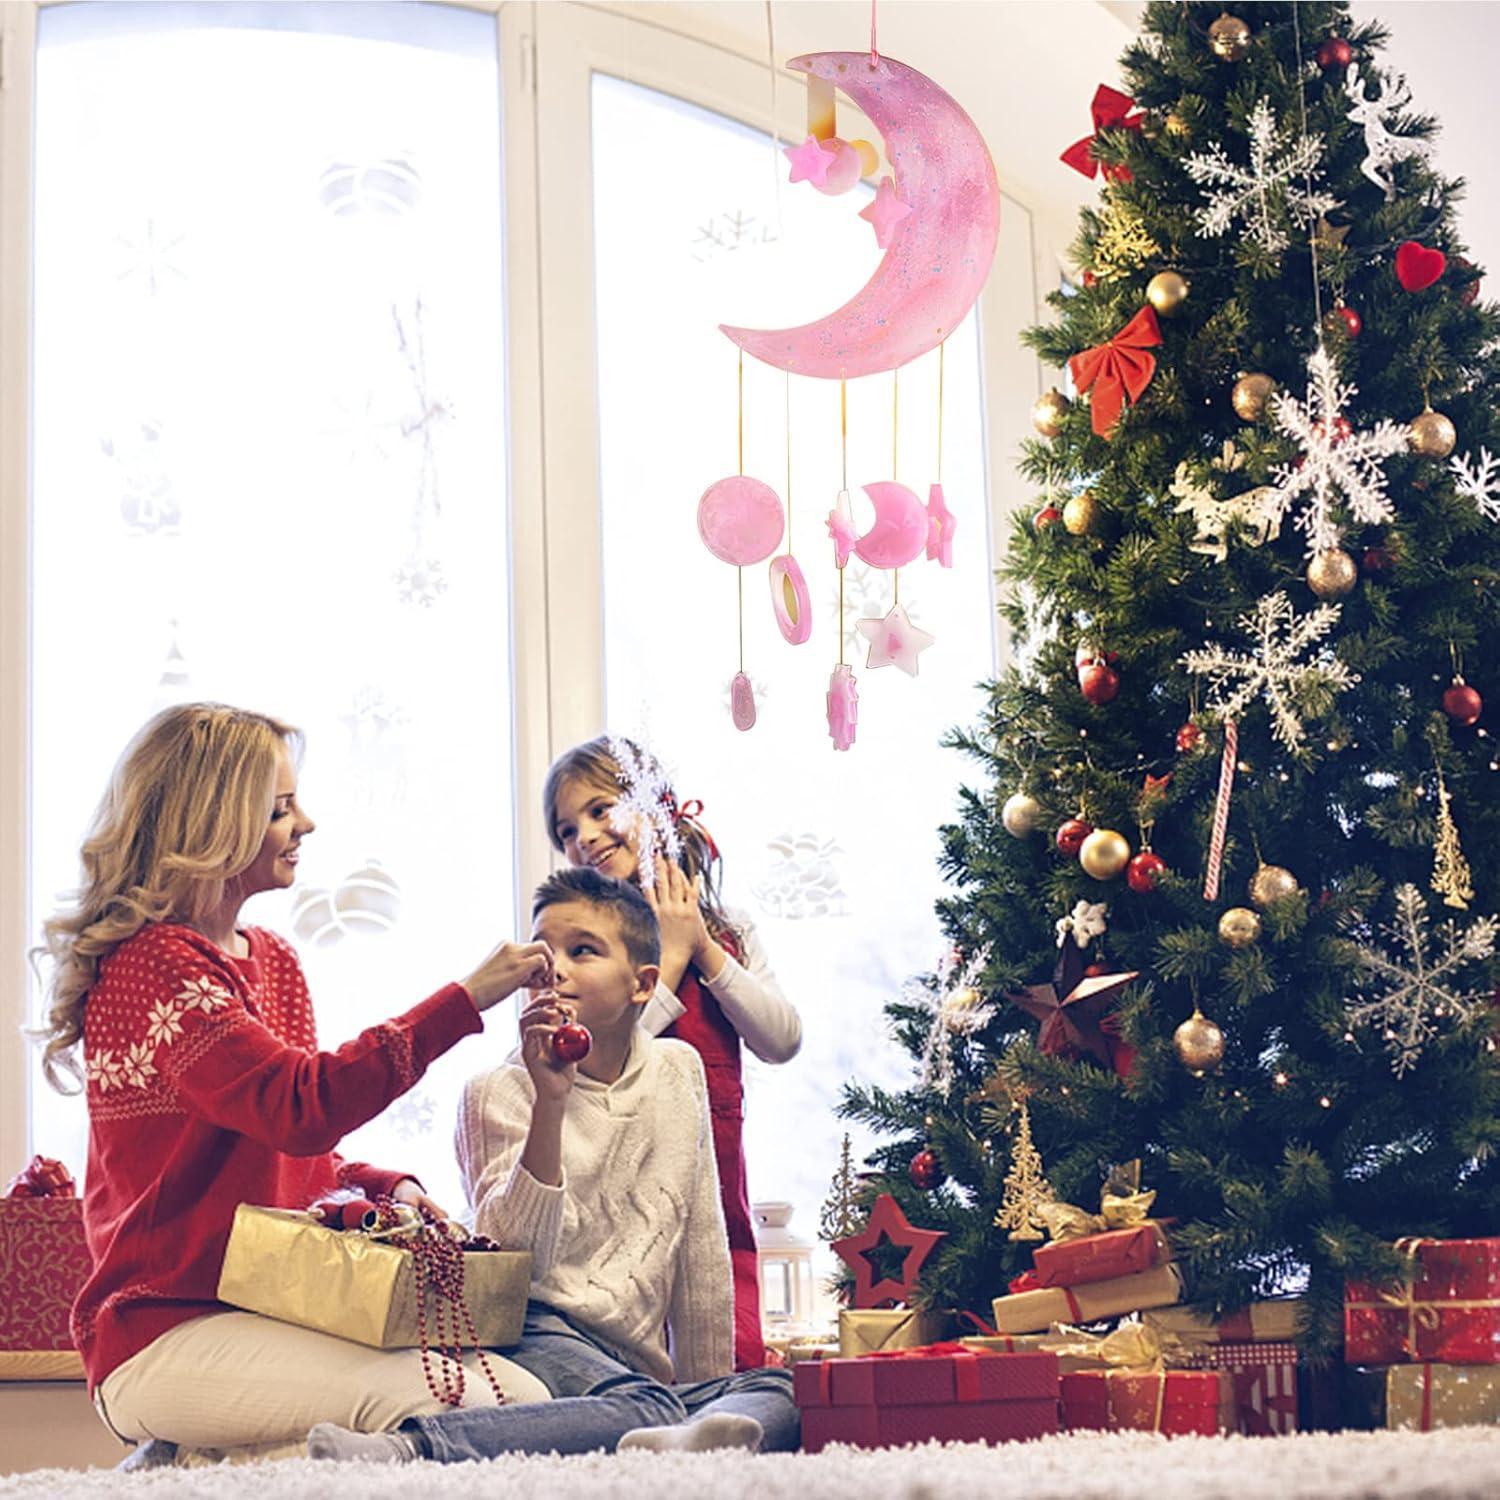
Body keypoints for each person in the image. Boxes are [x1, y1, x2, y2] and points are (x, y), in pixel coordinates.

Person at [35, 702, 555, 1452]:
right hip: (161, 1333)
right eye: (280, 808)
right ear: (212, 824)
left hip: (272, 1315)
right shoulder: (153, 965)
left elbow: (286, 1147)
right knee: (472, 1406)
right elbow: (298, 1107)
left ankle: (202, 1466)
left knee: (522, 1396)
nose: (305, 823)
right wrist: (466, 999)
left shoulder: (272, 960)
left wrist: (382, 1183)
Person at [308, 865, 798, 1464]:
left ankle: (684, 1436)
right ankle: (409, 1450)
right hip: (537, 1328)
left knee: (785, 1388)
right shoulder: (495, 1091)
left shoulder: (679, 1072)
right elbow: (516, 1260)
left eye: (582, 951)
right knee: (647, 1406)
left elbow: (700, 1253)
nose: (553, 970)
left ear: (643, 984)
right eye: (544, 952)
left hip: (636, 1367)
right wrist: (551, 1100)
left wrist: (703, 1391)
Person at [542, 737, 800, 1369]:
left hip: (716, 1188)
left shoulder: (728, 929)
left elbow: (782, 1039)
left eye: (601, 811)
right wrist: (673, 958)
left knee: (727, 1359)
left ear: (653, 806)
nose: (588, 837)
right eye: (567, 830)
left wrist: (703, 947)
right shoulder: (581, 949)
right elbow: (596, 1058)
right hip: (620, 1189)